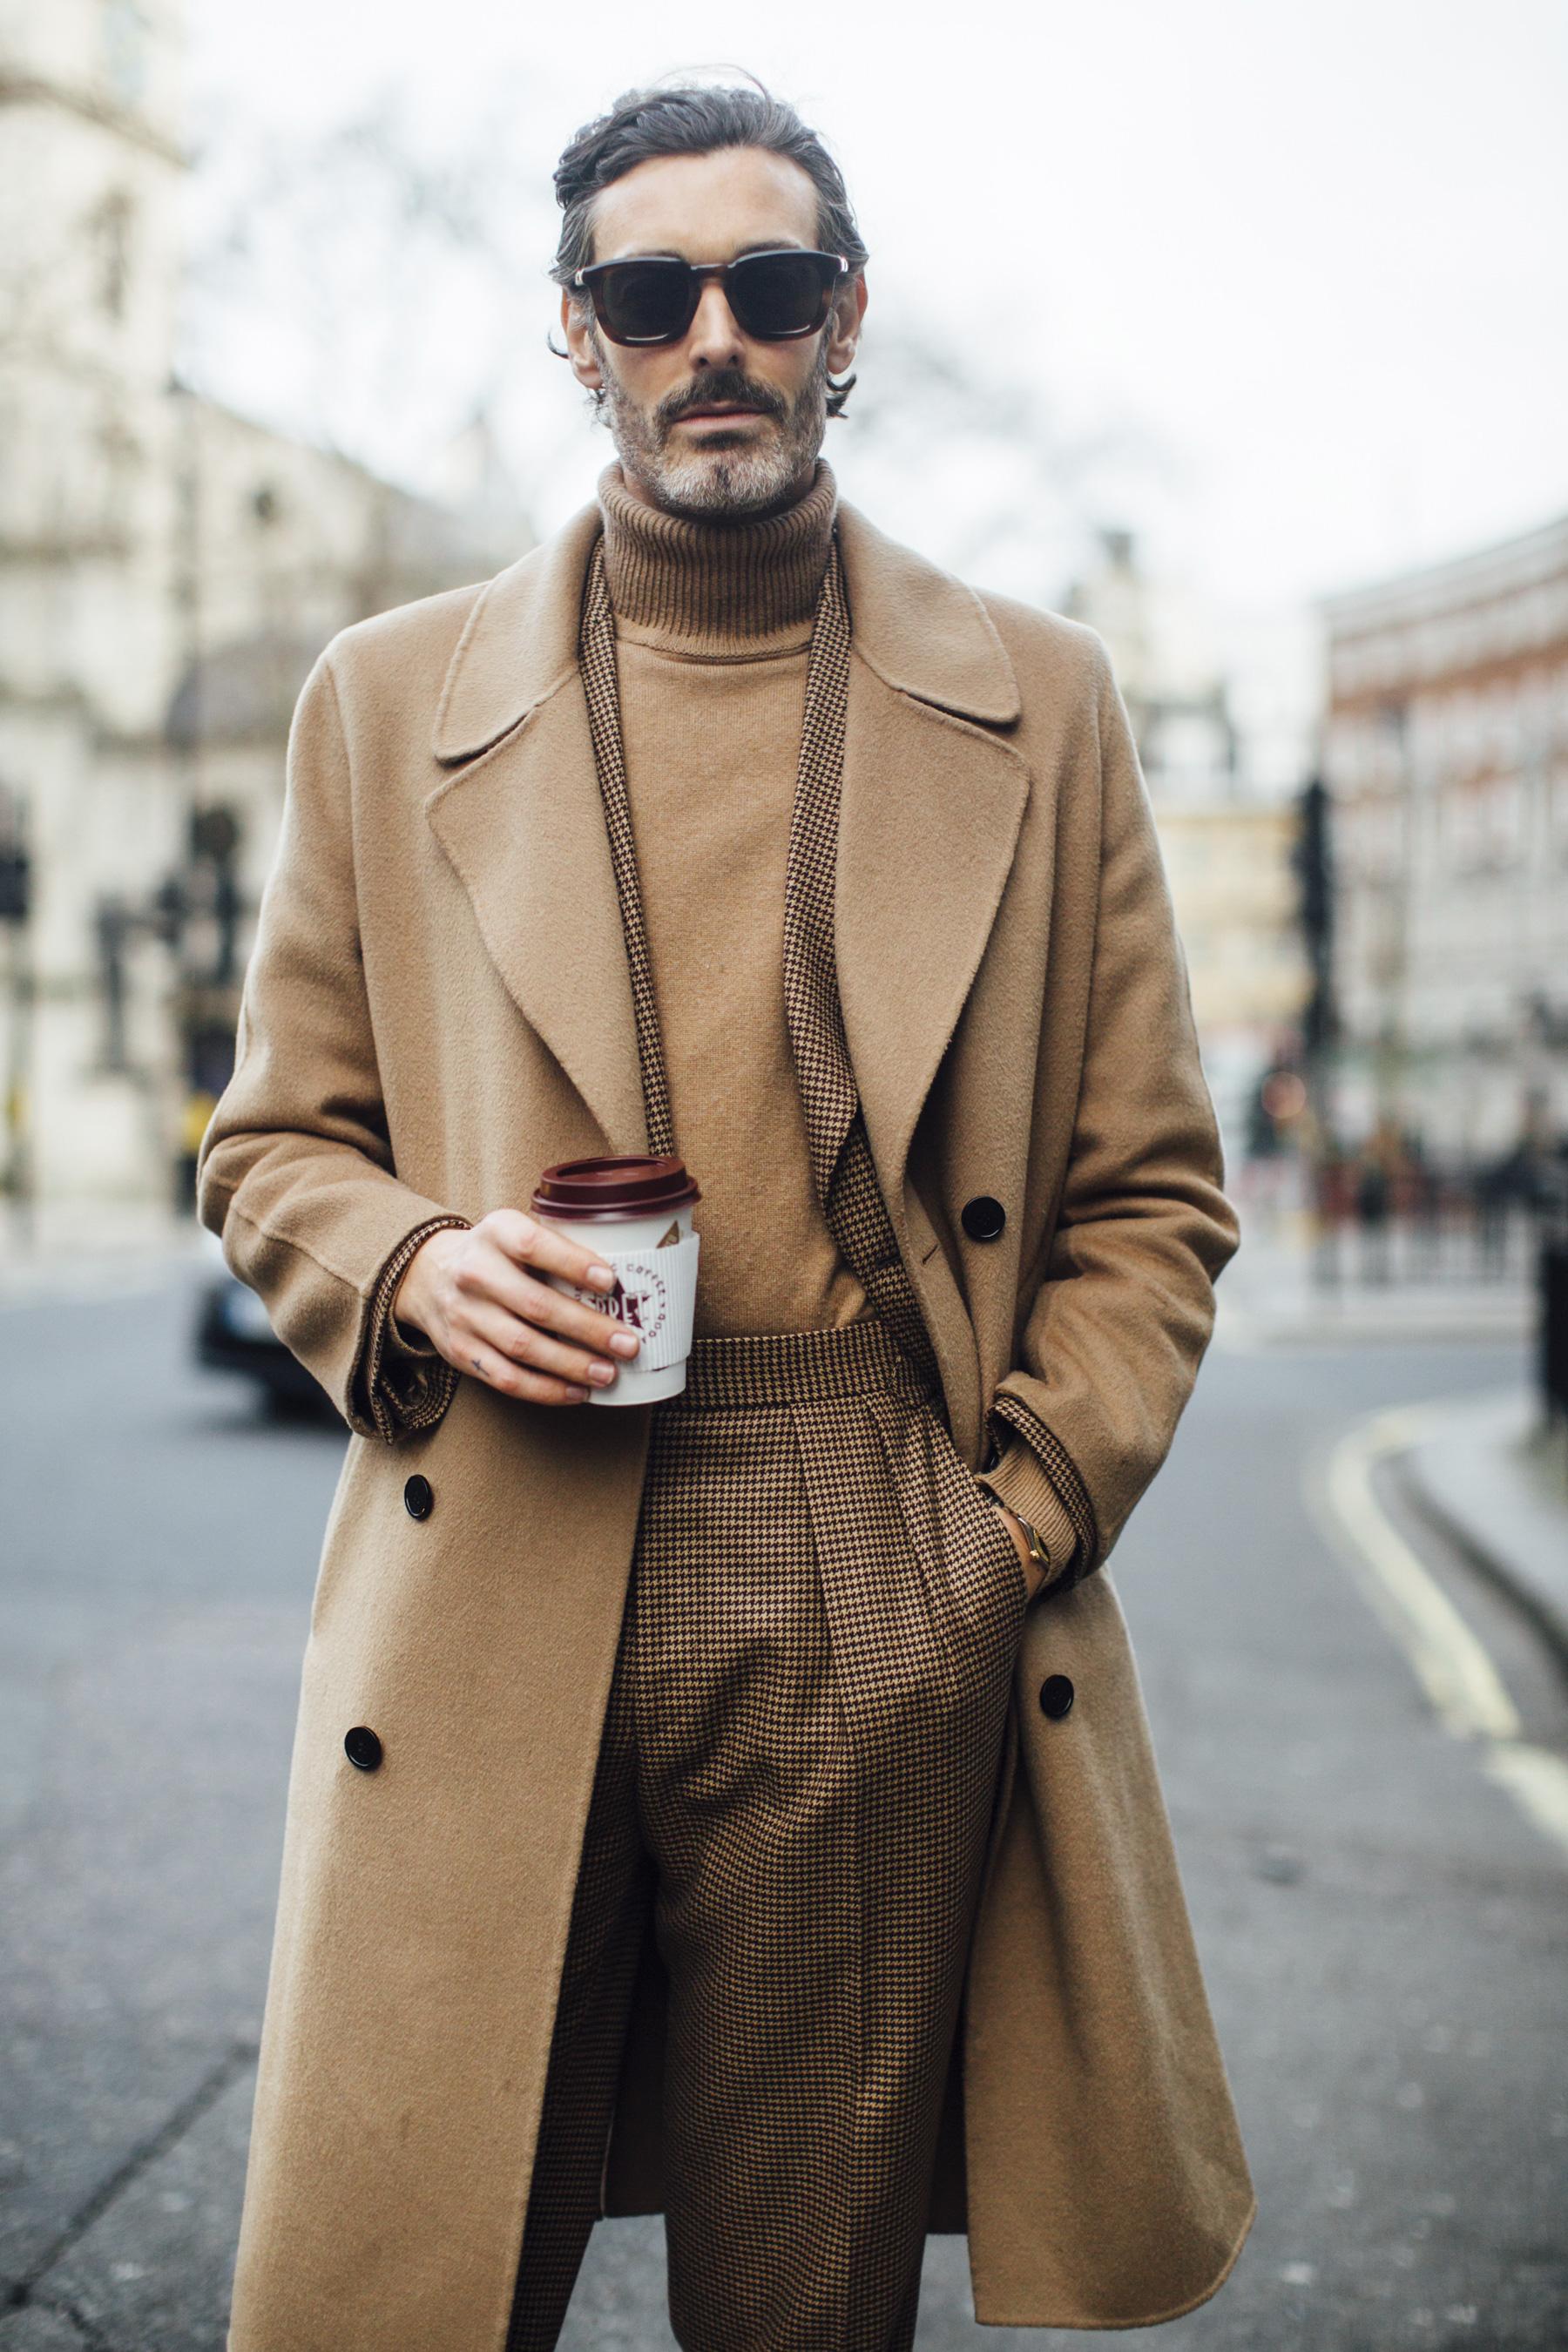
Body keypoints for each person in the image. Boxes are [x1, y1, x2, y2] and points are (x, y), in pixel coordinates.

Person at [196, 78, 1255, 2352]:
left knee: (803, 2282)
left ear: (844, 316)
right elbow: (271, 1139)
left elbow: (1154, 1189)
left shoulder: (1042, 703)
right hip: (506, 1513)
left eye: (768, 290)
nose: (714, 341)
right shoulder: (384, 705)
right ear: (573, 330)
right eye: (646, 291)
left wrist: (1005, 1525)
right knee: (430, 2260)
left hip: (876, 1525)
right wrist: (411, 1258)